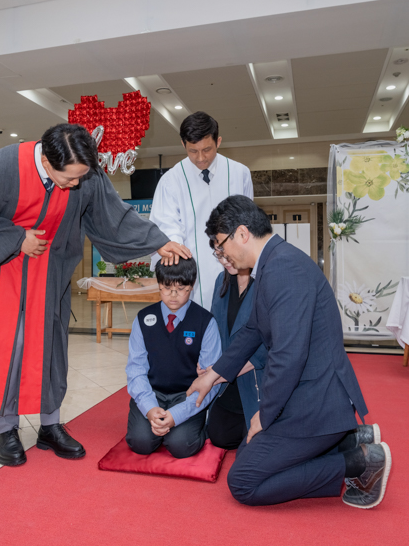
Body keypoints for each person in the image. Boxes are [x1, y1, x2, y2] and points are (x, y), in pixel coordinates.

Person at [0, 123, 190, 467]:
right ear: (46, 161)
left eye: (80, 178)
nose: (75, 185)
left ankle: (49, 425)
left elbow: (113, 214)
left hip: (49, 272)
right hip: (0, 275)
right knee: (7, 349)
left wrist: (157, 241)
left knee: (50, 349)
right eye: (69, 178)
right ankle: (6, 429)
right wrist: (16, 239)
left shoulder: (84, 173)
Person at [187, 195, 391, 509]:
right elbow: (252, 331)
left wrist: (264, 417)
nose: (221, 253)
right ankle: (349, 441)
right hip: (304, 396)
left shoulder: (283, 269)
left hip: (316, 403)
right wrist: (212, 376)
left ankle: (360, 463)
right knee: (248, 454)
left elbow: (287, 356)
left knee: (243, 482)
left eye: (219, 244)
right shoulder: (273, 264)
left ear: (242, 234)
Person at [149, 111, 253, 310]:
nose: (201, 158)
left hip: (236, 268)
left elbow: (249, 225)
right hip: (193, 272)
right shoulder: (171, 181)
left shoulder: (240, 173)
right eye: (193, 151)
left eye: (207, 149)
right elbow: (166, 230)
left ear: (219, 141)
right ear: (183, 145)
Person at [126, 257, 222, 458]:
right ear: (159, 284)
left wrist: (177, 415)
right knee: (140, 443)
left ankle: (194, 427)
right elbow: (136, 370)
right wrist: (150, 409)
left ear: (192, 285)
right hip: (152, 393)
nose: (173, 295)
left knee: (181, 446)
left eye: (182, 289)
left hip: (187, 396)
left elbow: (209, 378)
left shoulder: (205, 322)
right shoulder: (143, 319)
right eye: (167, 288)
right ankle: (159, 424)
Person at [206, 251, 267, 450]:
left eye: (227, 254)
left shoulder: (266, 282)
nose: (224, 262)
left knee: (253, 446)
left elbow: (273, 341)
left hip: (257, 378)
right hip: (228, 381)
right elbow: (215, 328)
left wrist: (222, 371)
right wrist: (208, 364)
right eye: (218, 255)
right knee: (219, 436)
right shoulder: (221, 281)